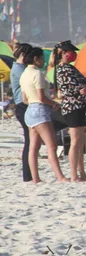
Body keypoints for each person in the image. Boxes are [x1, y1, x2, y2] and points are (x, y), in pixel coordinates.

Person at [20, 47, 68, 183]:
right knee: (51, 146)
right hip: (40, 110)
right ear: (36, 59)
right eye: (42, 58)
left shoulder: (24, 74)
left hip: (29, 110)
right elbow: (41, 97)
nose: (44, 61)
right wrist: (54, 103)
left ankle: (35, 178)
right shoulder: (38, 74)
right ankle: (60, 177)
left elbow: (24, 99)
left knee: (33, 147)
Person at [53, 40, 86, 182]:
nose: (74, 54)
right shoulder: (63, 68)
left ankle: (81, 173)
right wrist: (81, 90)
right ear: (64, 53)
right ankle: (73, 174)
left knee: (80, 141)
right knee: (76, 141)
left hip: (78, 106)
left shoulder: (68, 68)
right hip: (73, 107)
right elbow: (66, 89)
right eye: (71, 52)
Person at [10, 42, 33, 182]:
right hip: (23, 105)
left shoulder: (20, 68)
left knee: (31, 141)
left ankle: (29, 174)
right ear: (24, 55)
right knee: (29, 141)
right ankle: (27, 174)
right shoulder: (20, 69)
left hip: (23, 105)